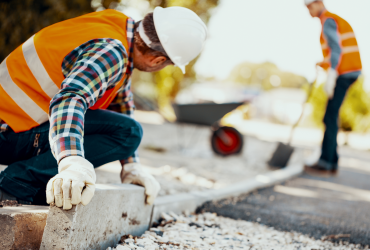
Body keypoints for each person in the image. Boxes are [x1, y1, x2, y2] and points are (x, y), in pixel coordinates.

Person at [0, 7, 207, 209]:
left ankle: (32, 185)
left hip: (12, 125)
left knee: (128, 129)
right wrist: (71, 160)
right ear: (158, 60)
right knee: (130, 132)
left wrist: (131, 166)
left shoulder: (116, 29)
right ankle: (16, 183)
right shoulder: (113, 52)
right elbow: (70, 99)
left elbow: (122, 105)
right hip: (7, 132)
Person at [303, 0, 362, 176]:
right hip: (348, 72)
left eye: (310, 7)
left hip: (344, 73)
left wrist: (332, 73)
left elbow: (336, 49)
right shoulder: (333, 20)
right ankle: (332, 162)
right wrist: (324, 63)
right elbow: (334, 53)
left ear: (319, 3)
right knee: (331, 115)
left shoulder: (328, 20)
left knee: (329, 116)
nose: (308, 11)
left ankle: (326, 162)